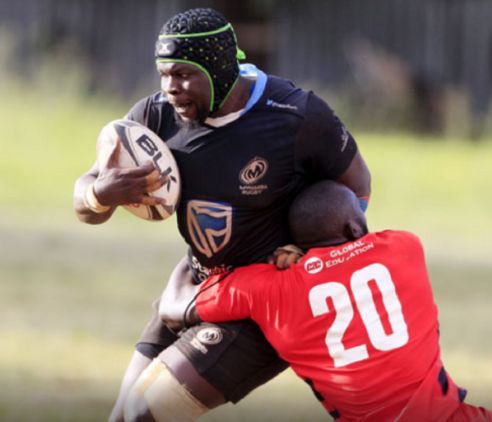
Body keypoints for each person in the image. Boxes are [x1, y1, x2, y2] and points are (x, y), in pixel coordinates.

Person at [72, 7, 371, 422]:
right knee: (122, 417)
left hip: (259, 313)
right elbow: (85, 202)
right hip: (197, 286)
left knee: (143, 416)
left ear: (219, 69)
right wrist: (100, 194)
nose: (170, 88)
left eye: (183, 74)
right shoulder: (154, 118)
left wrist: (313, 262)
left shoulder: (295, 115)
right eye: (164, 74)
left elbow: (356, 190)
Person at [159, 180, 492, 422]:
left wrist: (201, 250)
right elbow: (356, 253)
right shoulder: (404, 247)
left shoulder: (265, 289)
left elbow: (173, 307)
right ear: (354, 228)